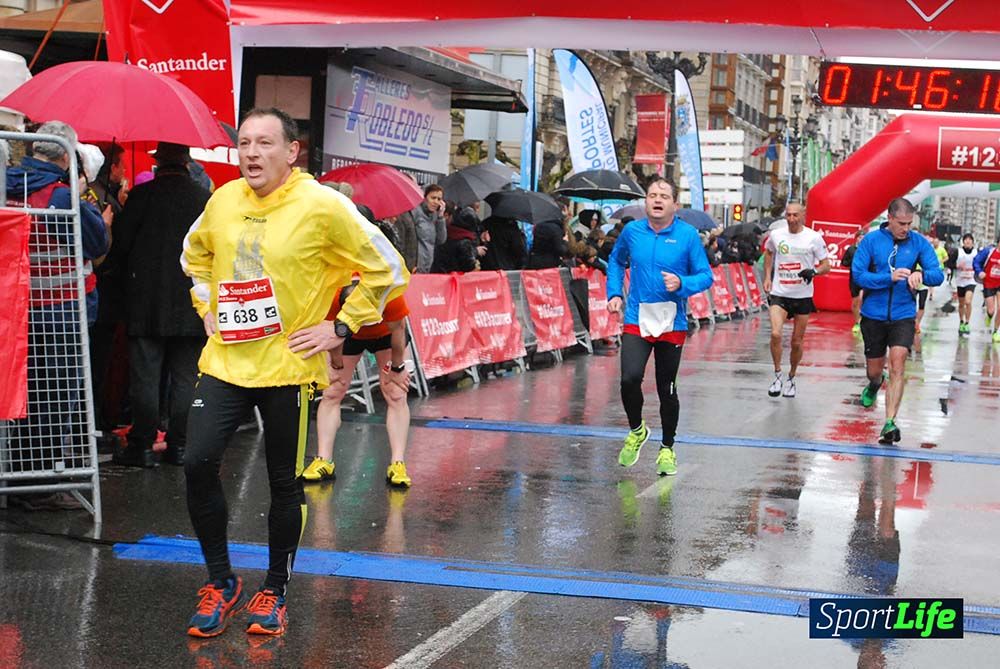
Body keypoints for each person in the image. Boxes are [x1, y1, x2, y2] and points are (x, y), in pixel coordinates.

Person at [180, 107, 408, 638]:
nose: (252, 154)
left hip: (289, 368)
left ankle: (274, 590)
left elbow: (388, 267)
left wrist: (342, 327)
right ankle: (222, 581)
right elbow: (196, 256)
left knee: (284, 484)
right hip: (226, 361)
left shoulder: (324, 206)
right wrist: (206, 304)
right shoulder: (222, 200)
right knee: (196, 462)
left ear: (291, 151)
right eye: (244, 143)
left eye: (264, 143)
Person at [4, 120, 110, 510]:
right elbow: (96, 243)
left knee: (16, 395)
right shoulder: (62, 196)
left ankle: (14, 476)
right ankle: (41, 484)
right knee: (56, 398)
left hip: (12, 313)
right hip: (61, 312)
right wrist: (89, 207)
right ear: (66, 155)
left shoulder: (6, 188)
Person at [109, 142, 211, 468]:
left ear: (158, 163)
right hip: (192, 302)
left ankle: (141, 446)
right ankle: (179, 445)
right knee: (186, 379)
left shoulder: (142, 196)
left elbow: (120, 246)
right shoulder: (204, 200)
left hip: (146, 301)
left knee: (146, 378)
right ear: (187, 162)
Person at [607, 177, 713, 476]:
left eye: (663, 196)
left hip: (671, 320)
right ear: (646, 202)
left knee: (666, 388)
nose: (657, 199)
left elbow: (706, 276)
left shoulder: (687, 235)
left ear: (674, 204)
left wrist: (683, 284)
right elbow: (615, 262)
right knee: (629, 378)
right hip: (636, 317)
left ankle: (667, 448)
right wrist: (614, 293)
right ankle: (637, 430)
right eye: (652, 195)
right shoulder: (632, 232)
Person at [302, 275, 413, 487]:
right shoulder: (333, 296)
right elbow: (332, 333)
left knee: (396, 392)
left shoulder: (391, 294)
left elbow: (398, 331)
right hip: (346, 333)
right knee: (333, 391)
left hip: (385, 335)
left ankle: (397, 463)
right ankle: (324, 460)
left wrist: (398, 368)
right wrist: (335, 365)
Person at [851, 198, 943, 444]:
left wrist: (920, 274)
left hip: (903, 313)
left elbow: (938, 275)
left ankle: (890, 423)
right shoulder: (871, 241)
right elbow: (858, 276)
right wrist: (887, 277)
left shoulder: (918, 243)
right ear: (889, 218)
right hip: (873, 314)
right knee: (875, 371)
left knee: (898, 364)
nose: (906, 228)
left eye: (909, 224)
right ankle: (874, 384)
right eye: (901, 223)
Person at [762, 202, 831, 398]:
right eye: (788, 216)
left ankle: (791, 377)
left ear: (803, 216)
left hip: (802, 295)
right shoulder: (776, 235)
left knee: (796, 342)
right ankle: (777, 375)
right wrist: (768, 276)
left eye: (795, 216)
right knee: (776, 334)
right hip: (780, 292)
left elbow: (827, 265)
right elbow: (768, 252)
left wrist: (814, 271)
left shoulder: (813, 238)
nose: (791, 219)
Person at [411, 184, 447, 272]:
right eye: (433, 198)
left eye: (439, 199)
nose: (436, 202)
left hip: (427, 265)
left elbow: (441, 240)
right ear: (424, 197)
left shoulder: (434, 216)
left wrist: (441, 218)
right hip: (415, 266)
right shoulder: (416, 212)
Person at [973, 238, 1000, 343]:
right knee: (991, 310)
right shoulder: (989, 251)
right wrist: (979, 271)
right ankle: (989, 316)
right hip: (989, 283)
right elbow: (976, 261)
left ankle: (996, 331)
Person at [840, 227, 866, 335]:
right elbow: (843, 263)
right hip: (854, 278)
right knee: (855, 302)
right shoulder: (851, 249)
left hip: (865, 278)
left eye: (863, 237)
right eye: (860, 237)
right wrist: (852, 262)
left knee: (862, 298)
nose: (861, 239)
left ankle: (865, 321)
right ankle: (857, 322)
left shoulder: (868, 250)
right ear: (856, 239)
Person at [955, 233, 978, 336]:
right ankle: (961, 322)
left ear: (973, 242)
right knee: (961, 304)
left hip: (971, 280)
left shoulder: (976, 253)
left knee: (968, 301)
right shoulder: (958, 252)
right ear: (963, 242)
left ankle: (967, 322)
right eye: (966, 240)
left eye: (970, 240)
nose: (968, 242)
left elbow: (980, 264)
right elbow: (950, 263)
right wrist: (958, 266)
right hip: (960, 281)